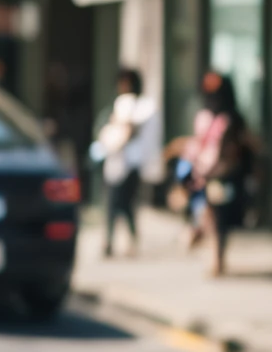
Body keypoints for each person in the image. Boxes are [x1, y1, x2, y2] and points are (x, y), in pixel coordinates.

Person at [170, 70, 250, 278]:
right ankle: (214, 256)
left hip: (224, 175)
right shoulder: (205, 118)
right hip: (205, 173)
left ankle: (217, 259)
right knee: (209, 215)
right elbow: (199, 144)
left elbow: (235, 151)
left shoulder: (232, 121)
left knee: (218, 217)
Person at [90, 66, 158, 257]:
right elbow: (104, 129)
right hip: (114, 162)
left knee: (126, 204)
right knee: (112, 204)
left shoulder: (144, 107)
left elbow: (141, 132)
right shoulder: (118, 105)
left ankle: (131, 240)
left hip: (132, 164)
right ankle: (109, 241)